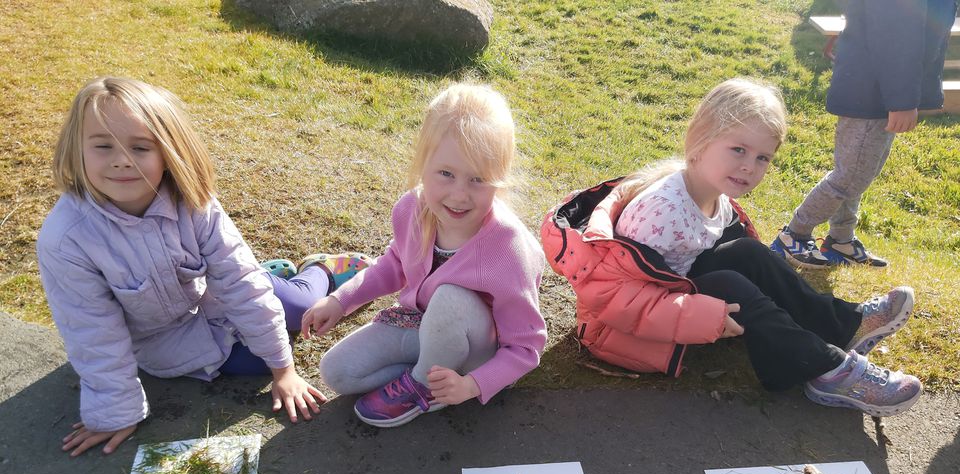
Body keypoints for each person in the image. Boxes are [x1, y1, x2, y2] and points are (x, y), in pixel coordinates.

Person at [540, 78, 921, 416]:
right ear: (699, 142)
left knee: (747, 253)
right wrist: (702, 316)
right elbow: (621, 300)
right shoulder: (661, 212)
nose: (749, 166)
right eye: (738, 149)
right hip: (623, 329)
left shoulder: (715, 198)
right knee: (728, 283)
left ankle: (842, 324)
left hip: (672, 298)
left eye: (762, 157)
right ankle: (826, 370)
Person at [37, 77, 369, 457]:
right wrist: (115, 413)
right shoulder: (66, 240)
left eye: (140, 147)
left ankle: (321, 271)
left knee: (299, 310)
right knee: (257, 364)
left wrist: (285, 370)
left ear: (169, 152)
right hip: (163, 338)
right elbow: (92, 331)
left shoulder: (193, 201)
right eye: (102, 146)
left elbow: (240, 282)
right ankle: (275, 277)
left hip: (211, 295)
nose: (121, 160)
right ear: (76, 149)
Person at [302, 83, 547, 428]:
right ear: (423, 164)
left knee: (449, 298)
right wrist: (340, 301)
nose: (459, 195)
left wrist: (472, 384)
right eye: (446, 173)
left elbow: (525, 346)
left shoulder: (509, 249)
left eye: (478, 179)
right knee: (337, 372)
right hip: (418, 323)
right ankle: (425, 370)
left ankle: (425, 386)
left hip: (476, 353)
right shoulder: (411, 209)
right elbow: (393, 264)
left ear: (500, 179)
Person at [771, 0, 957, 268]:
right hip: (871, 90)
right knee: (849, 176)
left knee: (859, 173)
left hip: (879, 90)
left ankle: (841, 239)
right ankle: (794, 235)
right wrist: (902, 100)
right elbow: (895, 35)